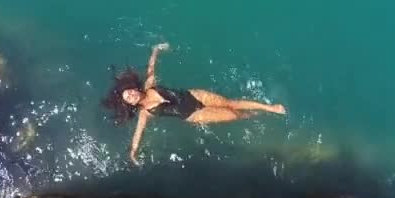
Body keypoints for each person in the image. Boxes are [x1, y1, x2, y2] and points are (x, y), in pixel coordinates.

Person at [102, 43, 286, 164]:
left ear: (133, 87)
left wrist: (156, 50)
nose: (132, 94)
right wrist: (133, 152)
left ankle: (270, 108)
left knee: (231, 103)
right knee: (234, 115)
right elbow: (138, 133)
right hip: (193, 115)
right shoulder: (145, 113)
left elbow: (151, 67)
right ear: (131, 104)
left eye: (130, 92)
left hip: (195, 96)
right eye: (129, 98)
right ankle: (251, 115)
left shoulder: (149, 85)